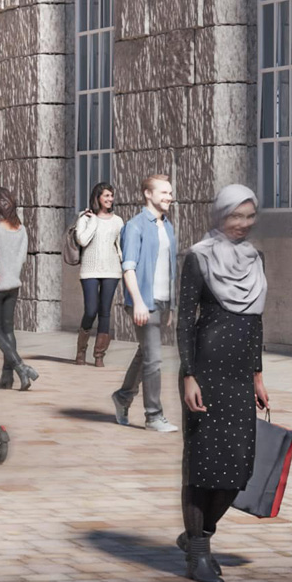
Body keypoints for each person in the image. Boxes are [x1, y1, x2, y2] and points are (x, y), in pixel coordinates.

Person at [177, 182, 268, 582]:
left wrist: (258, 374)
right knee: (203, 467)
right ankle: (198, 554)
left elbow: (256, 322)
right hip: (206, 371)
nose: (242, 224)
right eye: (235, 216)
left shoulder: (256, 258)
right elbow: (183, 321)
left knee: (239, 469)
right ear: (219, 216)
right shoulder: (198, 257)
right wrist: (188, 375)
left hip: (238, 377)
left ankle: (198, 534)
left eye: (249, 216)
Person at [115, 172, 180, 432]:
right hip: (143, 301)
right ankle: (153, 416)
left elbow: (169, 268)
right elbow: (128, 267)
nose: (169, 197)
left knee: (145, 354)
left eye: (170, 193)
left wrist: (171, 305)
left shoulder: (168, 226)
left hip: (162, 301)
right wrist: (139, 302)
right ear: (148, 194)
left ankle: (122, 397)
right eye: (164, 192)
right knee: (154, 360)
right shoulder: (135, 226)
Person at [0, 185, 37, 389]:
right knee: (8, 329)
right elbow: (22, 258)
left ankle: (20, 366)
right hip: (13, 284)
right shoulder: (21, 228)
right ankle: (7, 378)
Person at [67, 181, 126, 364]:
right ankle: (81, 351)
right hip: (90, 270)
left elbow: (119, 246)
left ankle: (99, 354)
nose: (110, 199)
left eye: (111, 195)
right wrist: (93, 220)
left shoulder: (118, 221)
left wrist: (125, 266)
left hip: (112, 270)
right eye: (106, 195)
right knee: (91, 310)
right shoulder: (84, 218)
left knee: (105, 312)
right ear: (97, 198)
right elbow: (83, 240)